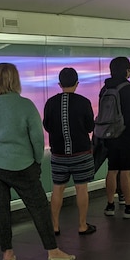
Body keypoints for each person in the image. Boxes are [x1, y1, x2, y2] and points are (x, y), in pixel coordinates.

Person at [0, 63, 75, 260]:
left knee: (0, 209)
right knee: (38, 207)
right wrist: (36, 161)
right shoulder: (25, 105)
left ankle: (7, 254)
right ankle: (53, 251)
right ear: (16, 80)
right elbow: (37, 139)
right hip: (21, 164)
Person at [43, 67, 97, 236]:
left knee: (57, 189)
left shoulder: (50, 103)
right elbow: (90, 127)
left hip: (58, 154)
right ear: (77, 83)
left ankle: (55, 226)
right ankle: (82, 225)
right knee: (81, 188)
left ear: (59, 84)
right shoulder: (84, 101)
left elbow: (47, 126)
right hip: (81, 152)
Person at [100, 57, 130, 218]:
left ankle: (110, 205)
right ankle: (129, 207)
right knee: (126, 171)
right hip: (127, 135)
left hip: (109, 135)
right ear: (126, 70)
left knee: (112, 170)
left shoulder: (105, 89)